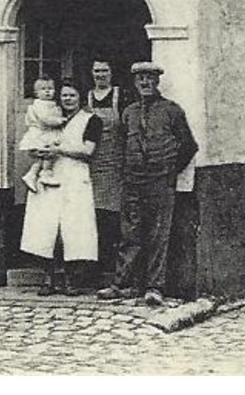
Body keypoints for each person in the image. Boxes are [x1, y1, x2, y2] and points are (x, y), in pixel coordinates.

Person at [97, 61, 198, 308]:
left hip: (160, 183)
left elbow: (188, 145)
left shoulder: (172, 111)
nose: (145, 83)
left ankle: (155, 287)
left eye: (149, 78)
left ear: (157, 81)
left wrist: (169, 171)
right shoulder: (129, 112)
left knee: (157, 235)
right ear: (135, 82)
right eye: (140, 79)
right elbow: (121, 145)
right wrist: (125, 172)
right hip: (133, 182)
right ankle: (122, 285)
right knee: (129, 234)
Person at [17, 80, 101, 295]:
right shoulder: (50, 118)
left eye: (72, 95)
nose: (67, 99)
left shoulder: (91, 120)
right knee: (45, 228)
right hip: (50, 177)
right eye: (64, 95)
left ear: (80, 97)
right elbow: (35, 143)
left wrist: (60, 151)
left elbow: (87, 151)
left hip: (75, 177)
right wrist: (38, 152)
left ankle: (71, 280)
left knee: (74, 230)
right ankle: (49, 278)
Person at [84, 59, 125, 280]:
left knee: (113, 216)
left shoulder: (120, 96)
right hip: (92, 163)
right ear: (92, 73)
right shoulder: (87, 98)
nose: (101, 75)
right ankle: (95, 269)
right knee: (94, 216)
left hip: (115, 164)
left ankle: (114, 269)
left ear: (111, 73)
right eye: (97, 70)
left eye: (105, 71)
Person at [16, 76, 65, 193]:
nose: (47, 91)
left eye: (50, 88)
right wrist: (61, 120)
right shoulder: (39, 105)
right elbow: (45, 119)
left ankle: (32, 174)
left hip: (48, 132)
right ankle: (45, 174)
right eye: (43, 89)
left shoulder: (51, 104)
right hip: (42, 134)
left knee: (44, 157)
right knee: (47, 154)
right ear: (36, 93)